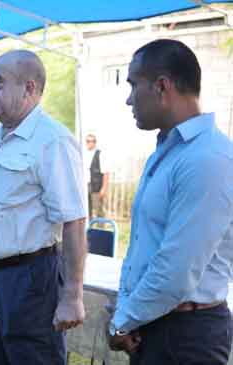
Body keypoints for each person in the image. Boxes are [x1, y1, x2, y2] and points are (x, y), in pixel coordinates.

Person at [0, 50, 87, 365]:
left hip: (29, 278)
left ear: (29, 89)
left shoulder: (53, 141)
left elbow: (74, 221)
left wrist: (72, 295)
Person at [108, 39, 233, 365]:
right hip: (156, 323)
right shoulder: (167, 152)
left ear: (162, 86)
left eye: (134, 85)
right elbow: (140, 246)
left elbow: (177, 269)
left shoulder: (208, 158)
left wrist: (123, 320)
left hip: (187, 335)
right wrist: (129, 312)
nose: (128, 99)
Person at [84, 133, 110, 219]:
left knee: (99, 210)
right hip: (85, 186)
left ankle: (101, 230)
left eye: (92, 141)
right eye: (88, 141)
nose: (90, 143)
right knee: (87, 210)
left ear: (95, 142)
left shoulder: (100, 154)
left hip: (96, 187)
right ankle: (90, 230)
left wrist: (104, 188)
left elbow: (106, 172)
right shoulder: (83, 154)